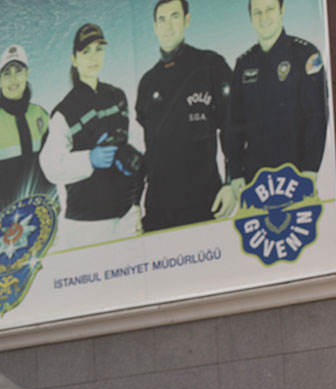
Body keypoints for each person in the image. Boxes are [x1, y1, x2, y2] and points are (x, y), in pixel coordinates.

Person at [40, 24, 143, 250]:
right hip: (86, 226)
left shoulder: (117, 96)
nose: (93, 57)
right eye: (85, 52)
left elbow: (135, 139)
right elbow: (50, 165)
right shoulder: (64, 111)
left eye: (98, 49)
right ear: (74, 59)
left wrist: (132, 159)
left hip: (125, 217)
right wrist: (89, 159)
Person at [136, 0, 237, 231]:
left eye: (174, 16)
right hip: (158, 210)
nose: (168, 26)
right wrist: (135, 204)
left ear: (187, 20)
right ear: (154, 27)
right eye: (161, 19)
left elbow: (233, 126)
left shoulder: (210, 65)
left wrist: (232, 184)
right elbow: (150, 149)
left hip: (204, 203)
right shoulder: (147, 82)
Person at [229, 0, 328, 189]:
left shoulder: (305, 54)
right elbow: (234, 124)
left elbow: (317, 116)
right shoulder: (244, 64)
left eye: (269, 9)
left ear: (281, 10)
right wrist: (235, 173)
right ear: (250, 18)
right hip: (254, 178)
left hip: (296, 172)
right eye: (257, 12)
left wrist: (310, 169)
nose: (263, 17)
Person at [0, 44, 56, 223]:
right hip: (3, 230)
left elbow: (53, 166)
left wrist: (54, 207)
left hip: (42, 222)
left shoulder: (41, 116)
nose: (13, 79)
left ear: (27, 73)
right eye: (7, 73)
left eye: (18, 71)